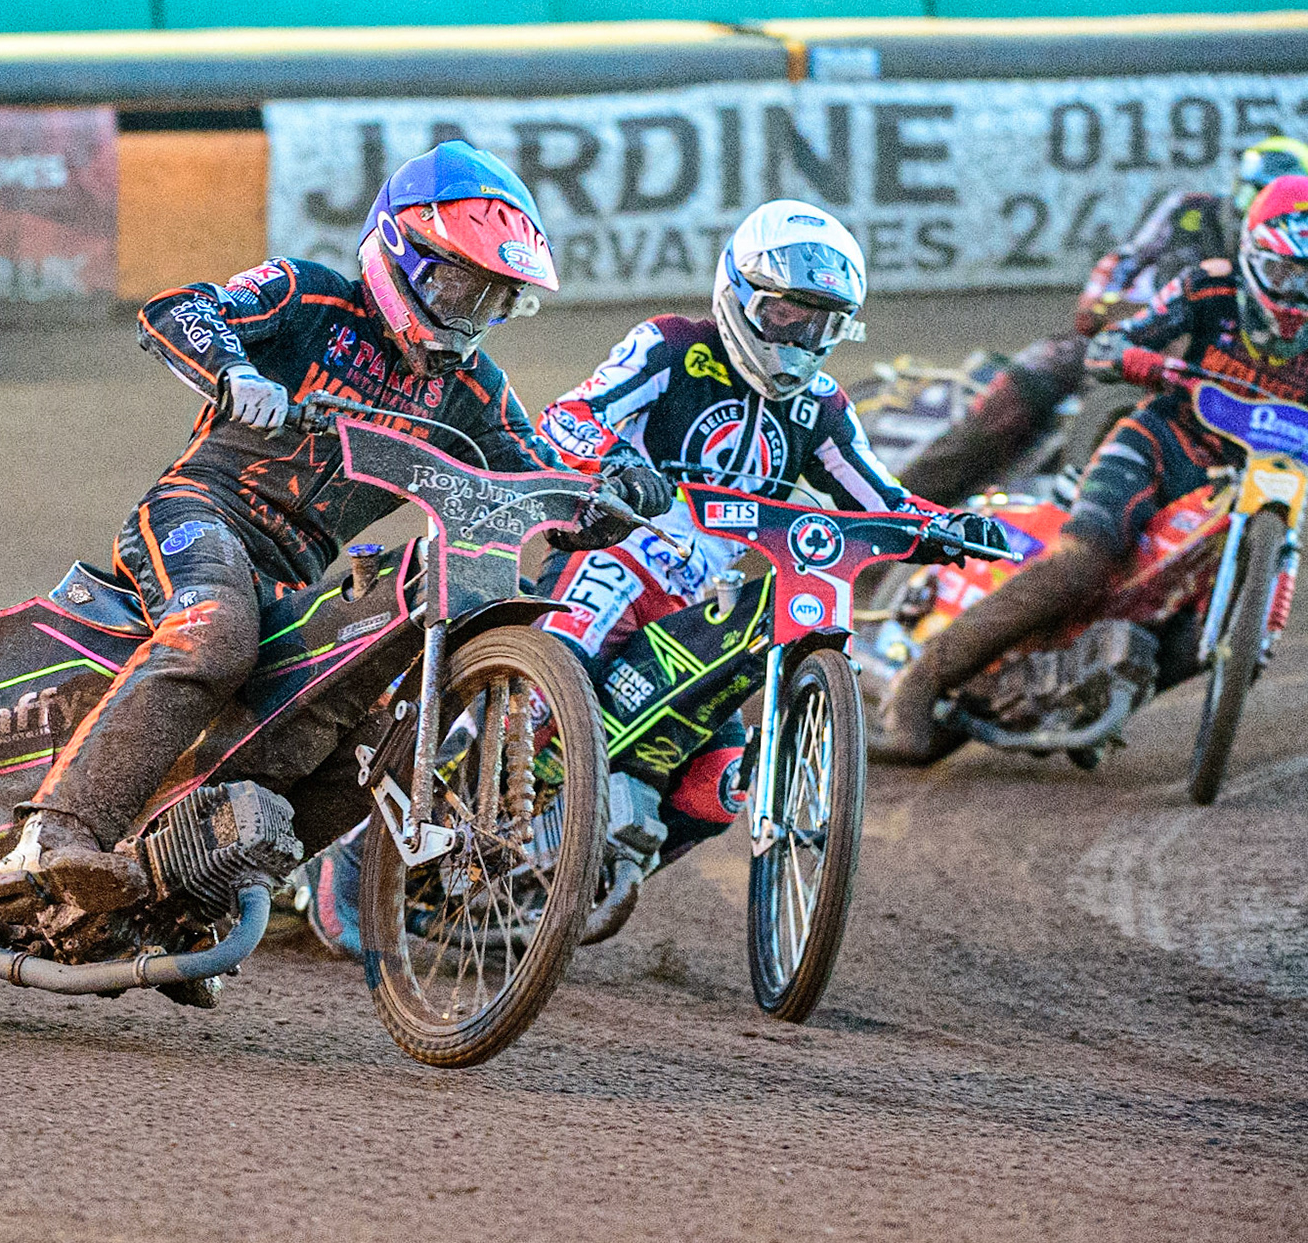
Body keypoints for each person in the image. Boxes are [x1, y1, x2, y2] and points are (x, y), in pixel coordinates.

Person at [0, 140, 673, 933]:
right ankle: (53, 833)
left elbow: (535, 483)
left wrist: (609, 499)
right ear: (402, 255)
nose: (466, 314)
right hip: (199, 514)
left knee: (368, 736)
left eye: (491, 299)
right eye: (456, 284)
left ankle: (187, 890)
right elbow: (178, 308)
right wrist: (235, 374)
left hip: (296, 576)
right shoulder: (308, 298)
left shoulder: (473, 390)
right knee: (214, 631)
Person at [302, 199, 1003, 957]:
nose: (798, 342)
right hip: (610, 557)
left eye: (820, 325)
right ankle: (358, 844)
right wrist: (615, 466)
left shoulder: (821, 410)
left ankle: (558, 879)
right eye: (784, 315)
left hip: (696, 605)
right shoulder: (670, 349)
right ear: (737, 295)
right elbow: (569, 418)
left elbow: (879, 500)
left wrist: (947, 528)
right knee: (534, 694)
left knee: (718, 789)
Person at [875, 174, 1308, 764]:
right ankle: (917, 687)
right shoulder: (1207, 286)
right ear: (1253, 257)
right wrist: (1135, 359)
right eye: (1284, 273)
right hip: (1157, 445)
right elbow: (1113, 339)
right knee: (1083, 567)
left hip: (1254, 478)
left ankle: (1090, 696)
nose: (1297, 295)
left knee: (1204, 639)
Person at [898, 137, 1308, 506]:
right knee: (1014, 396)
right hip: (1122, 328)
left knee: (1134, 422)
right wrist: (1098, 300)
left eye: (1265, 198)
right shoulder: (1191, 208)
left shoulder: (1299, 273)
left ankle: (1080, 501)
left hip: (1192, 367)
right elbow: (1124, 259)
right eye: (1248, 191)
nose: (1247, 207)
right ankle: (896, 506)